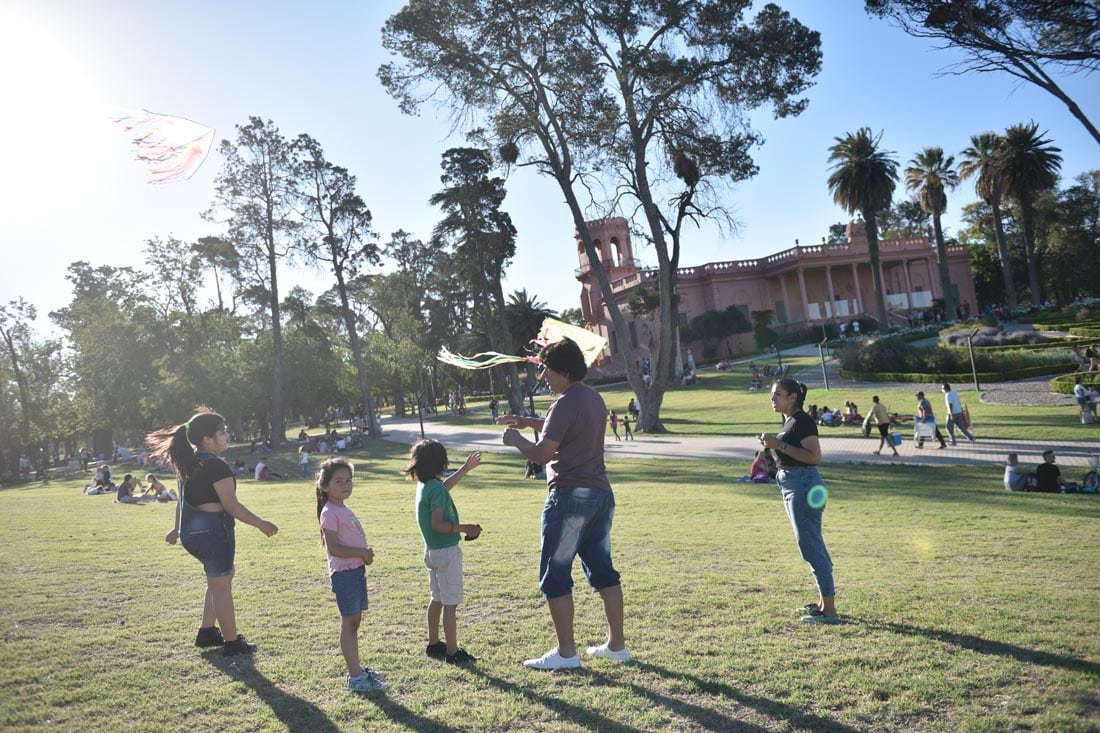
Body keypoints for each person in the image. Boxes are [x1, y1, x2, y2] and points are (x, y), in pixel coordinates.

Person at [498, 337, 629, 669]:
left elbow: (543, 454)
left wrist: (516, 439)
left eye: (546, 371)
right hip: (600, 495)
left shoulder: (565, 402)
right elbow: (569, 430)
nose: (543, 378)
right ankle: (617, 646)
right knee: (603, 571)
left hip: (570, 496)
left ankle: (566, 654)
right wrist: (531, 423)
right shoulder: (592, 398)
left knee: (555, 575)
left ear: (565, 371)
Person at [147, 407, 278, 656]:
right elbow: (231, 505)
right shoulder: (217, 465)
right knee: (222, 586)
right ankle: (231, 642)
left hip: (191, 534)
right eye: (222, 431)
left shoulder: (187, 463)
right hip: (214, 531)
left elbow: (182, 500)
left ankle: (207, 632)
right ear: (208, 438)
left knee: (219, 580)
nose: (227, 435)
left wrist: (176, 529)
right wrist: (262, 524)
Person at [760, 378, 838, 624]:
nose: (773, 399)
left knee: (810, 545)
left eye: (778, 395)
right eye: (772, 395)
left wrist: (778, 444)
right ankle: (823, 603)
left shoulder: (802, 421)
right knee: (811, 543)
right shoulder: (789, 421)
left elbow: (814, 457)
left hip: (804, 485)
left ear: (793, 397)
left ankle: (829, 611)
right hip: (794, 484)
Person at [407, 439, 482, 665]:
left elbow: (444, 488)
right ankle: (452, 651)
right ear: (440, 463)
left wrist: (465, 469)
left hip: (431, 552)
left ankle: (433, 643)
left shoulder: (427, 486)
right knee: (450, 604)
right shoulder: (435, 489)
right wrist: (464, 528)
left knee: (437, 599)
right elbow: (437, 524)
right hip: (447, 553)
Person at [316, 457, 387, 693]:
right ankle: (355, 678)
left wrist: (363, 556)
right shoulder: (329, 512)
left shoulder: (342, 508)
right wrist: (363, 552)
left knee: (354, 623)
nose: (345, 485)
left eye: (348, 480)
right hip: (344, 575)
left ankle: (357, 669)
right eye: (339, 481)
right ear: (325, 486)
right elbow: (334, 548)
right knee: (349, 624)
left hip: (355, 572)